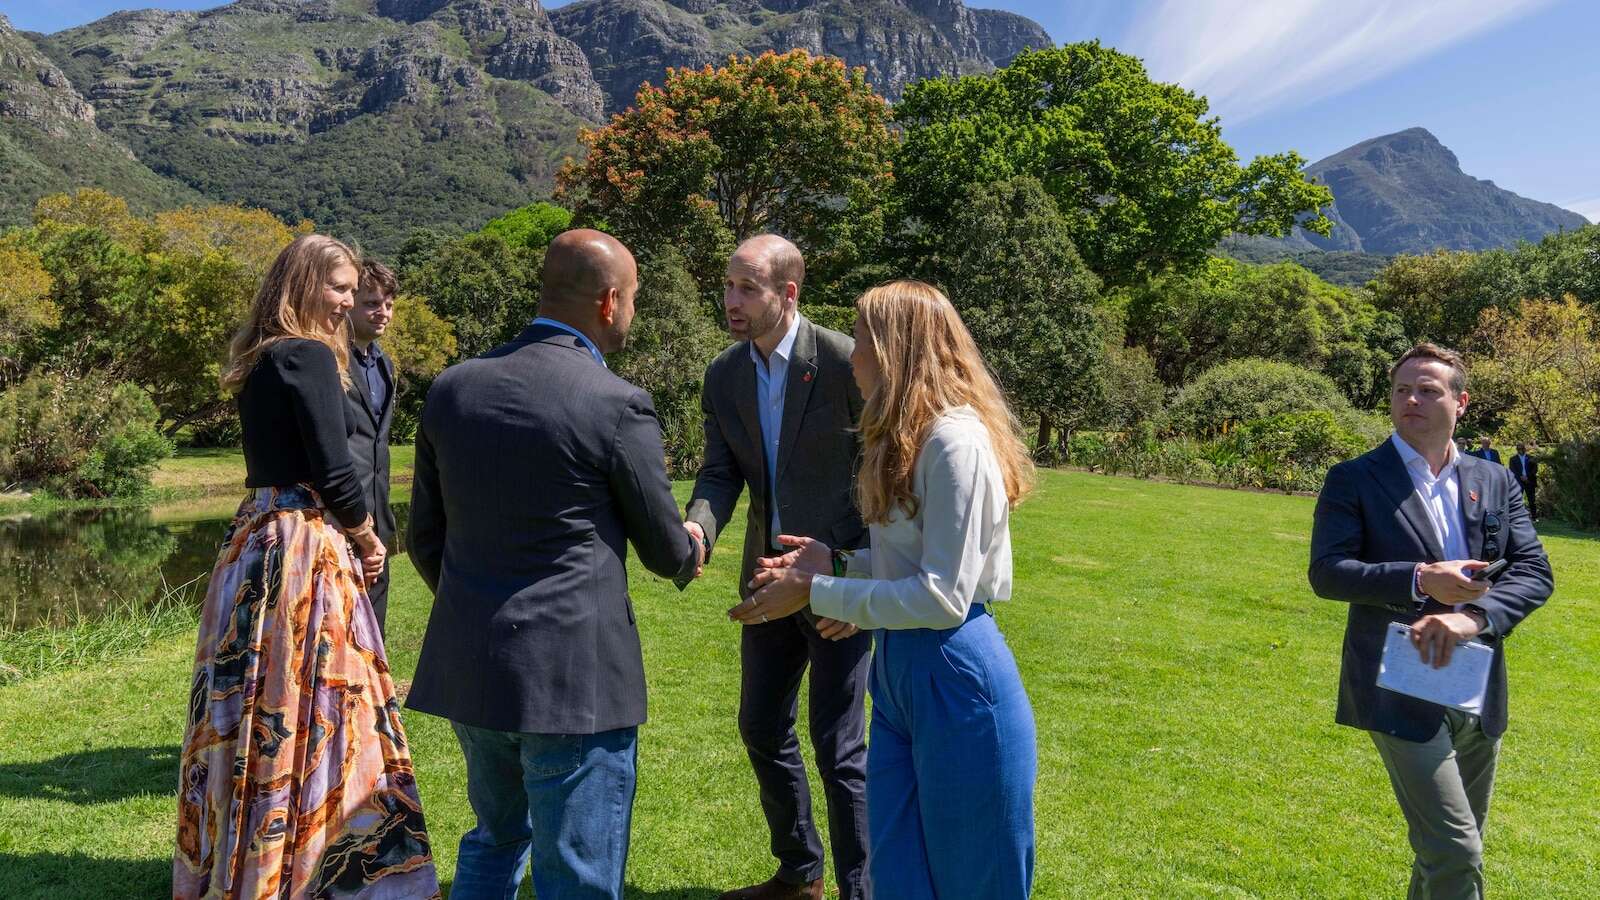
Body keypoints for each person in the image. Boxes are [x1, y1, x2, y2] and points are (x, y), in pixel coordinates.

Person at [406, 229, 703, 899]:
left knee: (494, 839)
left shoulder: (454, 389)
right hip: (573, 683)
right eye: (632, 298)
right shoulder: (613, 402)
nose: (632, 311)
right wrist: (698, 538)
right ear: (607, 302)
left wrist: (481, 608)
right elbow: (666, 551)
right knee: (579, 871)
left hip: (474, 669)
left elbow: (425, 538)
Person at [738, 280, 1038, 898]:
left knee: (972, 878)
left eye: (865, 343)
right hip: (901, 668)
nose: (854, 358)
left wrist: (816, 590)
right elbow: (903, 561)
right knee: (898, 872)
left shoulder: (957, 442)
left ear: (898, 350)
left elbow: (940, 596)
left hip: (955, 668)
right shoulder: (909, 437)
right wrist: (838, 563)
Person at [175, 235, 439, 899]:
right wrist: (368, 535)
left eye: (354, 290)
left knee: (257, 703)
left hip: (254, 540)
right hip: (302, 545)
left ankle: (252, 862)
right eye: (339, 288)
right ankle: (321, 867)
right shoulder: (311, 355)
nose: (348, 301)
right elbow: (333, 465)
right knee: (320, 701)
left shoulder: (262, 358)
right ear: (302, 286)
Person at [1309, 342, 1552, 899]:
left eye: (1428, 390)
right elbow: (1328, 572)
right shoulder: (1354, 478)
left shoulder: (1494, 481)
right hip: (1397, 683)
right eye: (1401, 390)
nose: (1410, 400)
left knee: (1447, 853)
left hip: (1476, 685)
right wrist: (1419, 578)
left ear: (1461, 402)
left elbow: (1534, 571)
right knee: (1455, 851)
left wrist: (1473, 619)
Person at [683, 234, 870, 900]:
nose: (730, 300)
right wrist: (698, 527)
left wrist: (852, 576)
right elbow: (719, 470)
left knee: (839, 749)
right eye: (727, 285)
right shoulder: (724, 374)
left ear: (787, 294)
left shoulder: (848, 363)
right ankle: (800, 874)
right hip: (766, 581)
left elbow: (885, 470)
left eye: (747, 288)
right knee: (760, 726)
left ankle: (861, 889)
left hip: (837, 583)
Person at [346, 259, 398, 632]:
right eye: (372, 303)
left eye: (389, 304)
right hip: (339, 515)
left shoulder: (385, 365)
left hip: (378, 514)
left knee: (374, 625)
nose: (383, 313)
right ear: (349, 302)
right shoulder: (328, 361)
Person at [1510, 442, 1538, 519]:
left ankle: (1534, 517)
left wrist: (1527, 477)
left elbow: (1535, 469)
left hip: (1530, 481)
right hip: (1519, 482)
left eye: (1522, 448)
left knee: (1532, 500)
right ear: (1517, 449)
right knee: (1517, 500)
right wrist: (1521, 477)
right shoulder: (1513, 459)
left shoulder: (1531, 458)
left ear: (1525, 449)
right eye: (1519, 449)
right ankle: (1517, 517)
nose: (1520, 450)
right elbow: (1513, 470)